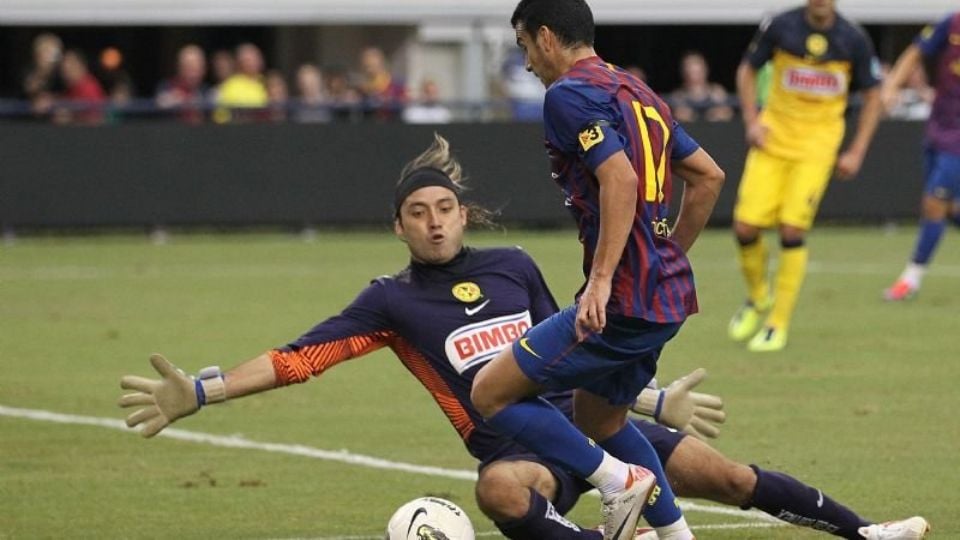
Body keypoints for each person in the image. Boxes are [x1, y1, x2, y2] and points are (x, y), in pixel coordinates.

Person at [119, 134, 928, 540]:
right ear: (398, 227)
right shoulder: (388, 302)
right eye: (417, 214)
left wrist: (650, 399)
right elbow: (299, 361)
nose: (434, 223)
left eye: (444, 209)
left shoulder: (511, 266)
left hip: (594, 423)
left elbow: (577, 347)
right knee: (498, 493)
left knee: (729, 476)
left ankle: (867, 531)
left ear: (462, 214)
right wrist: (202, 390)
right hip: (522, 452)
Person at [470, 1, 725, 538]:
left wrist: (605, 279)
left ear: (545, 37)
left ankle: (616, 480)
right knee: (599, 418)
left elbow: (621, 179)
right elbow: (708, 177)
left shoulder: (568, 94)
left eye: (524, 47)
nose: (527, 63)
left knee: (490, 393)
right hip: (664, 297)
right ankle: (677, 535)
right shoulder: (638, 92)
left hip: (623, 299)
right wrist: (666, 257)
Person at [728, 0, 884, 352]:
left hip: (817, 148)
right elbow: (747, 69)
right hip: (772, 140)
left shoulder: (853, 39)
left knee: (792, 229)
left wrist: (857, 150)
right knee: (745, 227)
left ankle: (777, 323)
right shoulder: (781, 26)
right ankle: (758, 297)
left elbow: (874, 95)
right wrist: (752, 120)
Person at [882, 12, 960, 301]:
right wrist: (891, 85)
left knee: (934, 203)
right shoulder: (952, 23)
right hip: (938, 128)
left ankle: (910, 279)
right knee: (949, 208)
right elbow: (915, 51)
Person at [669, 51, 734, 122]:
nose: (695, 77)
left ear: (705, 71)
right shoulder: (678, 96)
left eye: (698, 72)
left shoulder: (717, 92)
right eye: (691, 72)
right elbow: (674, 118)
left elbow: (728, 113)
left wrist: (715, 114)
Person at [155, 44, 210, 123]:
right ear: (179, 68)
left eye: (197, 67)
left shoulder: (207, 91)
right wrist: (172, 100)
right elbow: (159, 104)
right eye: (189, 67)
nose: (193, 73)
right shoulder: (166, 87)